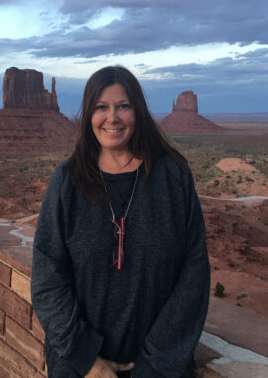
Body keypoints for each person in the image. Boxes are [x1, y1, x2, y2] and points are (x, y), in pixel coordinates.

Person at [31, 66, 210, 378]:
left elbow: (194, 272)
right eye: (101, 107)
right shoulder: (68, 182)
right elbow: (47, 277)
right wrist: (86, 358)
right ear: (89, 114)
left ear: (137, 111)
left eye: (122, 106)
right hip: (79, 369)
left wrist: (156, 364)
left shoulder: (173, 176)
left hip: (158, 370)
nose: (112, 118)